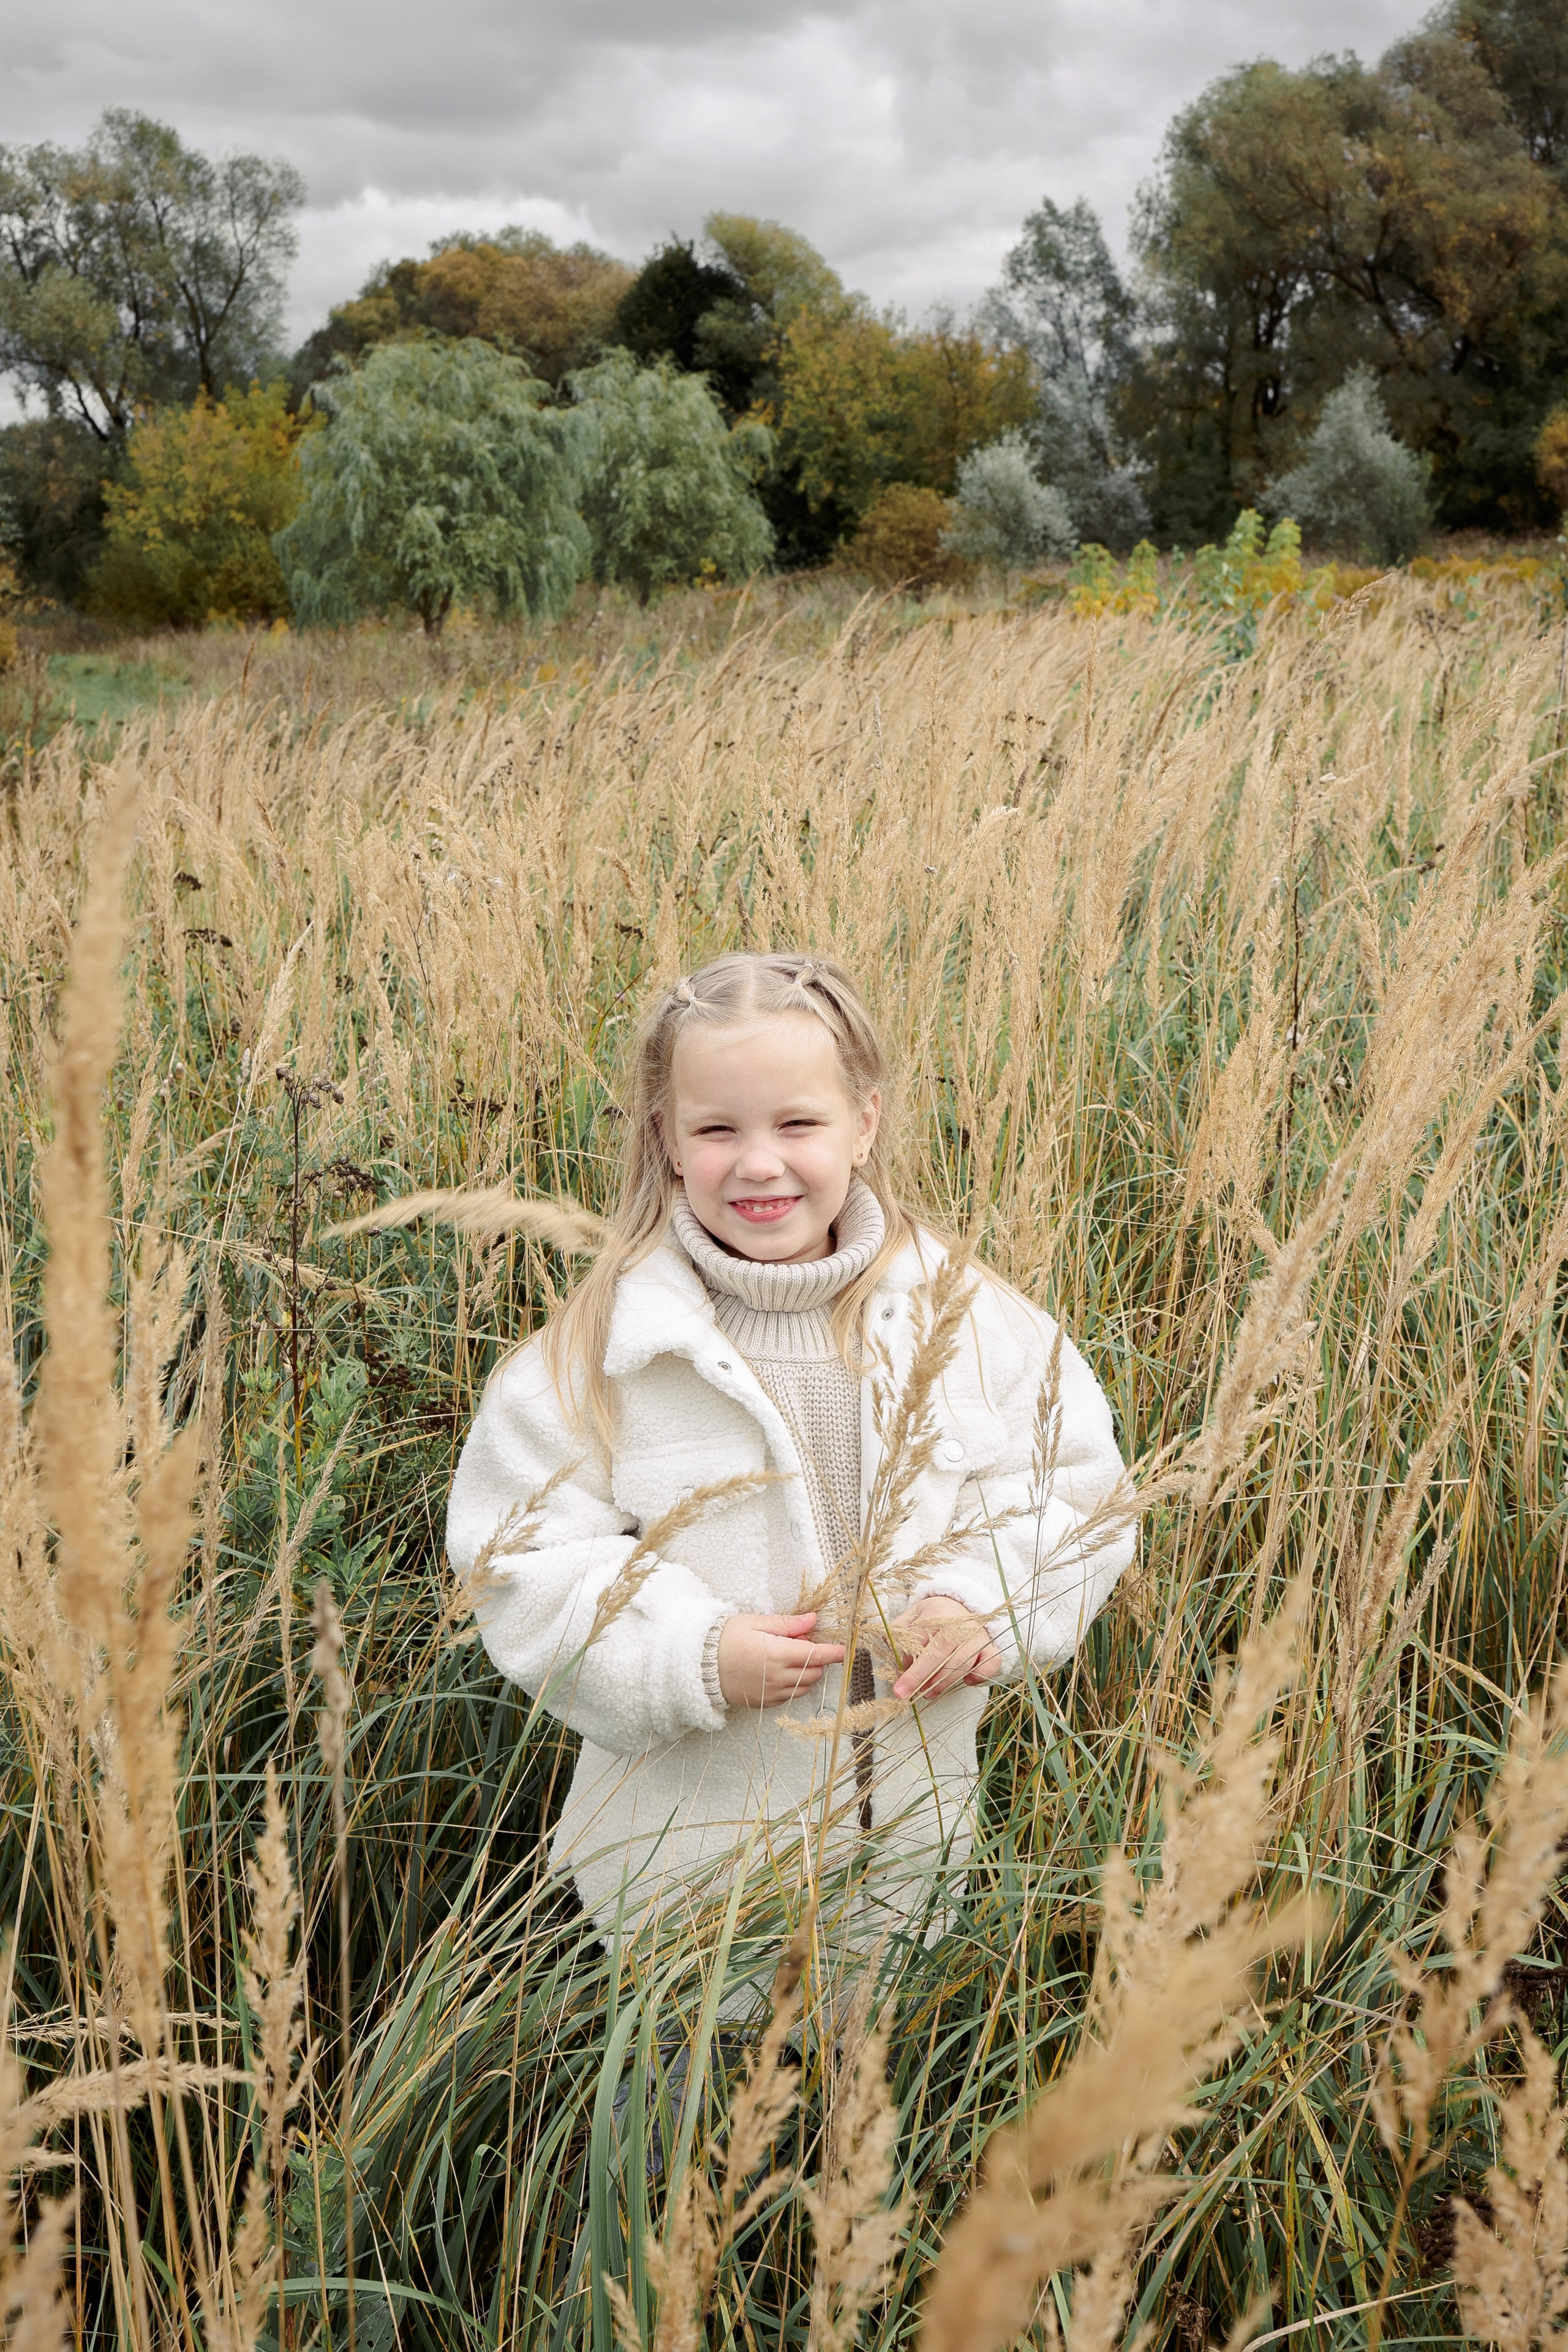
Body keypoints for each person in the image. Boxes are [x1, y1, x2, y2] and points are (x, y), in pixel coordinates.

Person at [446, 951, 1133, 1983]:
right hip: (681, 1894)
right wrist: (692, 1652)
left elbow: (1077, 1496)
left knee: (871, 2115)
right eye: (718, 1129)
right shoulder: (601, 1353)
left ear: (865, 1121)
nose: (759, 1164)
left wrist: (977, 1604)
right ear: (667, 1143)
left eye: (798, 1125)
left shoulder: (973, 1319)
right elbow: (519, 1566)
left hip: (910, 1867)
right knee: (693, 2123)